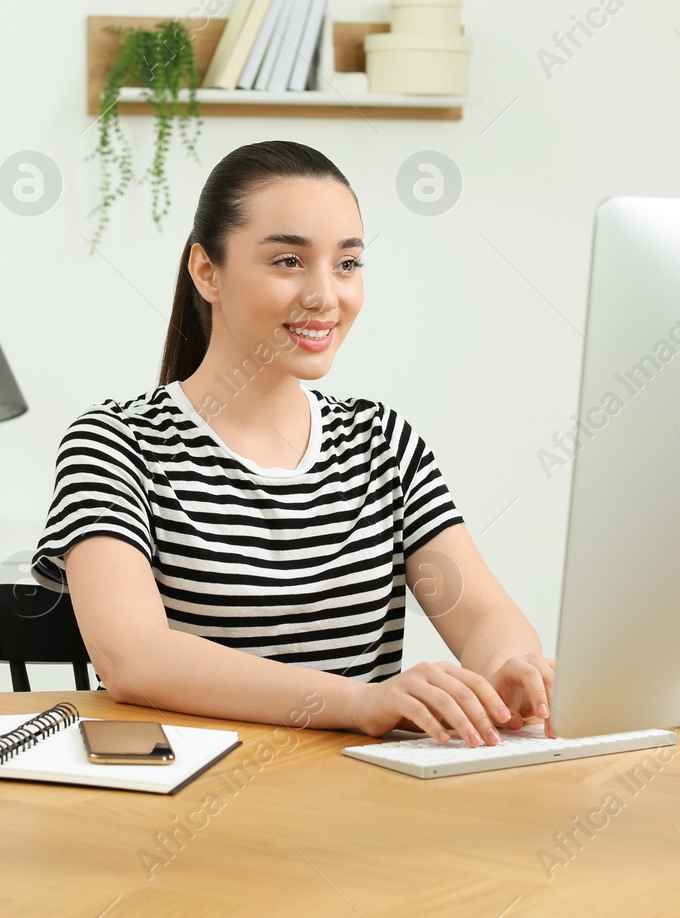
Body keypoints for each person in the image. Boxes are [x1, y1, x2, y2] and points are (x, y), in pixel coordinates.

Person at [32, 140, 555, 747]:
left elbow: (483, 614)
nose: (324, 296)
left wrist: (508, 669)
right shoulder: (115, 445)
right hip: (189, 805)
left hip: (358, 808)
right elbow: (134, 657)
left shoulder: (381, 442)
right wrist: (361, 703)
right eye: (288, 261)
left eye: (347, 264)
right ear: (208, 271)